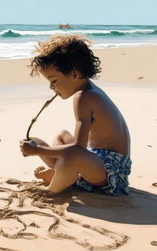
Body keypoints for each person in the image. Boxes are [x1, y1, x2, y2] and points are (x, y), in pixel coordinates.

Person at [19, 35, 132, 195]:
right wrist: (37, 147)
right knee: (61, 135)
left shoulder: (84, 97)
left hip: (111, 173)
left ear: (74, 74)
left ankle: (52, 190)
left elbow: (78, 149)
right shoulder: (89, 91)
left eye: (54, 80)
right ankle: (61, 174)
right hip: (95, 158)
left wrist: (38, 151)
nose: (51, 87)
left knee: (72, 154)